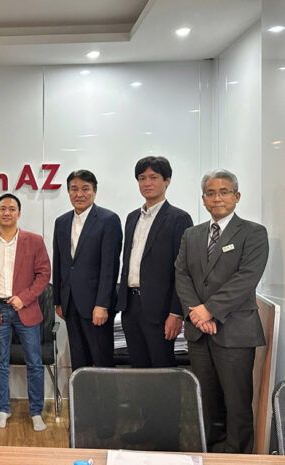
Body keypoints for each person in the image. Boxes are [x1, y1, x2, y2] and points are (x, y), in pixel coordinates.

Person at [175, 169, 268, 454]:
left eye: (224, 192)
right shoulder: (191, 234)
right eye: (211, 193)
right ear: (203, 199)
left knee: (237, 404)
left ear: (237, 196)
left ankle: (238, 456)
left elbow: (246, 278)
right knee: (207, 401)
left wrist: (210, 310)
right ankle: (211, 453)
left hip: (235, 331)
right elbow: (182, 274)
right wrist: (196, 313)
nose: (217, 198)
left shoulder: (253, 233)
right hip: (199, 332)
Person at [116, 157, 193, 450]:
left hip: (161, 311)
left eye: (153, 177)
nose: (147, 183)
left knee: (163, 373)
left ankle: (168, 434)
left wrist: (176, 312)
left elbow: (182, 270)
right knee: (141, 373)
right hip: (132, 306)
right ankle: (148, 426)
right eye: (142, 178)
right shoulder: (132, 218)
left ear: (167, 181)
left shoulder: (179, 218)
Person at [0, 193, 51, 432]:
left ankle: (36, 411)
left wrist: (25, 297)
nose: (7, 212)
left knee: (34, 362)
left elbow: (44, 274)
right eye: (2, 208)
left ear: (19, 213)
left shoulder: (34, 240)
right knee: (0, 362)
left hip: (25, 308)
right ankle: (3, 408)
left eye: (12, 209)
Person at [53, 170, 122, 370]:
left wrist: (102, 304)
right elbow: (59, 262)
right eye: (74, 189)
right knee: (78, 361)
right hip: (70, 303)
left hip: (96, 306)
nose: (79, 194)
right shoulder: (61, 222)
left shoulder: (108, 220)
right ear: (68, 192)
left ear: (94, 191)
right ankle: (80, 393)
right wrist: (58, 300)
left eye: (85, 189)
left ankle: (105, 394)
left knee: (101, 360)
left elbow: (110, 266)